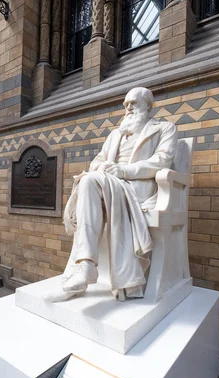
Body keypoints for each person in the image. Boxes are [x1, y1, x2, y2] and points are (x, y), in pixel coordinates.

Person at [59, 87, 177, 299]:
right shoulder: (115, 134)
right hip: (108, 183)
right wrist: (104, 168)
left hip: (135, 188)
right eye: (125, 104)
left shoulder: (164, 128)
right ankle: (86, 265)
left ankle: (86, 266)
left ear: (148, 106)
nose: (127, 107)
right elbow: (97, 161)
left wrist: (124, 171)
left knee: (88, 182)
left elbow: (162, 160)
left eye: (133, 102)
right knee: (87, 179)